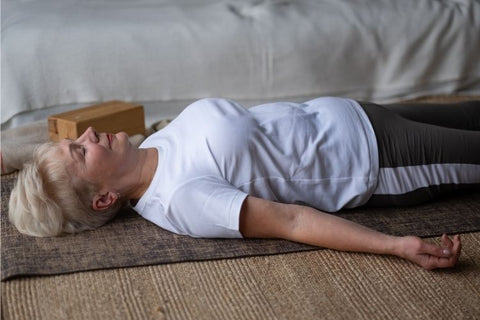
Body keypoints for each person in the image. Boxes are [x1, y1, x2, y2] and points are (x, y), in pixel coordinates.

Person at [9, 97, 480, 270]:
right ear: (104, 198)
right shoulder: (181, 199)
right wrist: (394, 247)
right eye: (80, 151)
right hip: (379, 161)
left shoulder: (156, 142)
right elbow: (292, 221)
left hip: (360, 113)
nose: (88, 134)